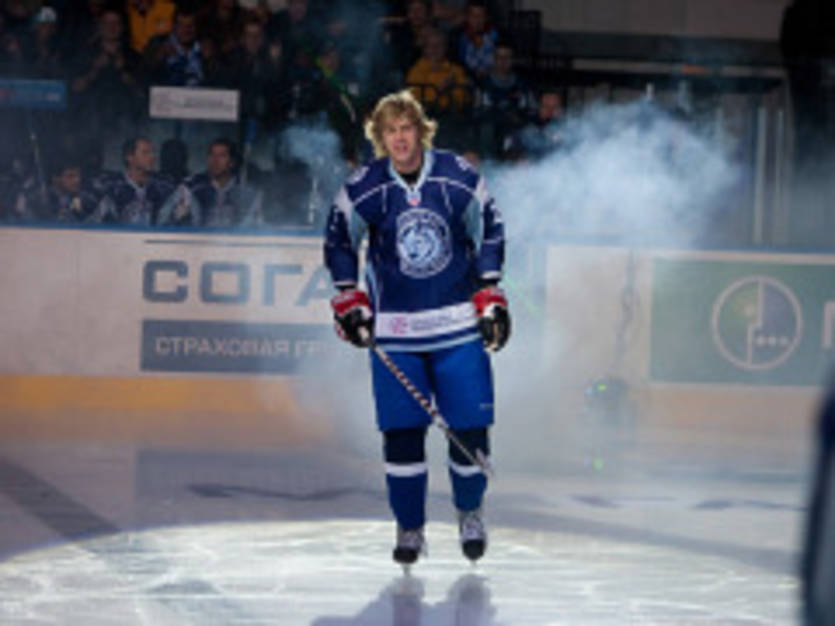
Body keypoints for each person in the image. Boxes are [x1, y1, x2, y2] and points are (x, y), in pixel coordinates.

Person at [323, 89, 510, 567]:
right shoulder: (366, 186)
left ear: (421, 131)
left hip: (458, 328)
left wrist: (490, 292)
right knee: (402, 436)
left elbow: (489, 227)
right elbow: (340, 239)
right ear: (380, 137)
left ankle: (470, 511)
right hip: (397, 334)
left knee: (470, 432)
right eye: (391, 131)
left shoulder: (455, 175)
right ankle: (409, 527)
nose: (400, 139)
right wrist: (349, 297)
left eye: (407, 128)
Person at [159, 137, 263, 228]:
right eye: (211, 155)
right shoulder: (190, 187)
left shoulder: (247, 191)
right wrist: (178, 216)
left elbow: (258, 226)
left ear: (231, 162)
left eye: (222, 156)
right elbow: (163, 221)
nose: (215, 160)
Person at [93, 136, 175, 225]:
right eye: (145, 153)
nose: (152, 157)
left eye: (153, 152)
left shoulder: (164, 186)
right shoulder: (111, 186)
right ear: (130, 157)